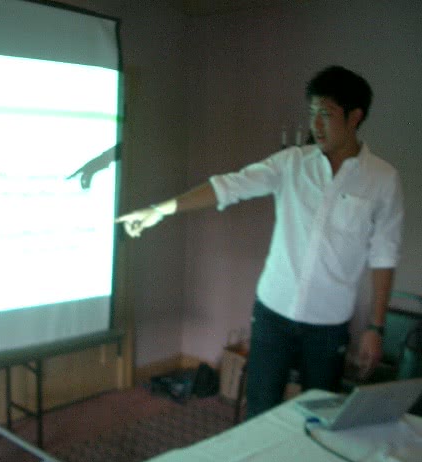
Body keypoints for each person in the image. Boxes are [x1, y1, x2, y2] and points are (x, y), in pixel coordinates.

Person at [116, 65, 404, 418]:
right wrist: (161, 209)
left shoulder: (382, 180)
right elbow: (230, 185)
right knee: (259, 411)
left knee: (317, 416)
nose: (316, 124)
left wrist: (376, 327)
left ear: (355, 117)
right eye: (312, 113)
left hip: (329, 325)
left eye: (326, 115)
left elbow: (384, 254)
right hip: (273, 314)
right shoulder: (292, 163)